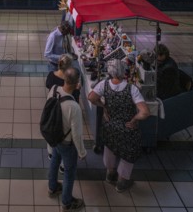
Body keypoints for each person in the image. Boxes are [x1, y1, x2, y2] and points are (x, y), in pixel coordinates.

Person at [87, 59, 150, 193]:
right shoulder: (131, 89)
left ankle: (110, 174)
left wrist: (103, 106)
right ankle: (122, 182)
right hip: (127, 128)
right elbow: (145, 112)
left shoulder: (103, 85)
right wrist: (134, 119)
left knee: (109, 148)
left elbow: (91, 97)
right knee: (128, 153)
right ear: (124, 72)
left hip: (109, 125)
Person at [47, 67, 87, 211]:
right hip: (67, 143)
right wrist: (82, 152)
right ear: (77, 84)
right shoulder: (74, 107)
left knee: (54, 161)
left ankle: (52, 188)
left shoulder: (53, 89)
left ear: (64, 78)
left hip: (54, 137)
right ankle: (66, 202)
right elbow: (76, 134)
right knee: (69, 173)